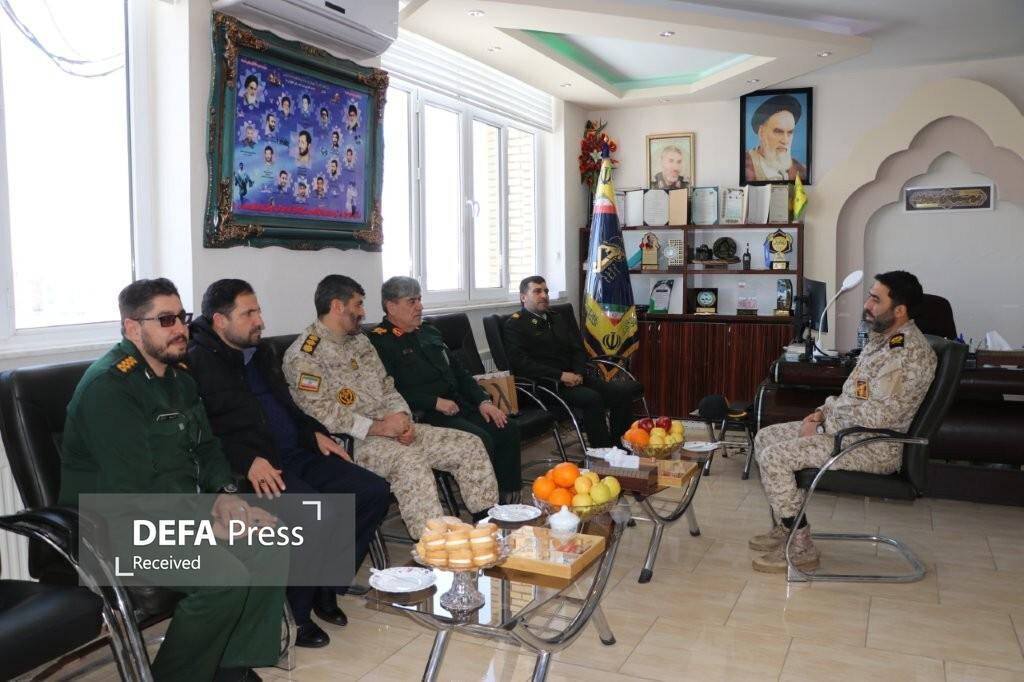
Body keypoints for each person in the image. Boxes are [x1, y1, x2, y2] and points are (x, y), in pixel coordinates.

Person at [59, 278, 285, 681]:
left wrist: (226, 496)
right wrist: (208, 524)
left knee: (270, 543)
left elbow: (207, 448)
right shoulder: (109, 388)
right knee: (224, 578)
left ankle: (230, 668)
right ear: (132, 328)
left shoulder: (179, 377)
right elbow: (135, 489)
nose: (181, 328)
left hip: (172, 514)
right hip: (117, 530)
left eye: (182, 317)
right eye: (166, 320)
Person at [187, 280, 390, 648]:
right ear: (219, 320)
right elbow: (199, 434)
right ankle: (297, 617)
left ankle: (326, 585)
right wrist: (245, 460)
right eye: (249, 313)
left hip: (295, 452)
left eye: (258, 310)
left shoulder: (260, 352)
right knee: (316, 513)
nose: (259, 320)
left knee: (372, 490)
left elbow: (289, 406)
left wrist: (314, 433)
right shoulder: (195, 364)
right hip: (252, 469)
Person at [748, 271, 937, 573]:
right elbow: (853, 395)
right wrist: (821, 413)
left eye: (875, 300)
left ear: (900, 310)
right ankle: (787, 527)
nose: (867, 305)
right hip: (848, 433)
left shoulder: (907, 354)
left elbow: (879, 416)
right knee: (765, 437)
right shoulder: (882, 340)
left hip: (872, 446)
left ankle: (802, 547)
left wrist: (823, 426)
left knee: (775, 457)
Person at [283, 275, 498, 539]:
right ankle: (434, 545)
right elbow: (322, 413)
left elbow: (387, 385)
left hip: (393, 427)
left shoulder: (359, 341)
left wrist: (402, 419)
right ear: (338, 306)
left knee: (469, 445)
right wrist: (380, 428)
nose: (363, 312)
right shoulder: (304, 355)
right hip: (354, 443)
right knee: (410, 462)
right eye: (358, 305)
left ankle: (486, 530)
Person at [368, 277, 523, 502]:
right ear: (391, 307)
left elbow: (460, 372)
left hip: (459, 404)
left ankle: (508, 499)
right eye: (412, 301)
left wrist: (483, 401)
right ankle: (486, 503)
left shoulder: (429, 332)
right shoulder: (379, 342)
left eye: (419, 299)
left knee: (506, 429)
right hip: (427, 414)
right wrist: (433, 402)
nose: (420, 306)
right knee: (480, 439)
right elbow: (389, 392)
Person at [503, 276, 642, 448]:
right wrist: (561, 376)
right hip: (546, 384)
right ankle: (602, 452)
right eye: (537, 291)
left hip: (574, 377)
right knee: (592, 399)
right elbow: (522, 364)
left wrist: (578, 373)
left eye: (546, 291)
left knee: (621, 394)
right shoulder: (515, 324)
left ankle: (621, 446)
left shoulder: (556, 318)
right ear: (523, 297)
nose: (544, 295)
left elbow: (577, 349)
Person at [744, 94, 807, 183]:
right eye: (778, 132)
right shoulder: (745, 165)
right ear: (761, 133)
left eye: (790, 132)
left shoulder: (801, 170)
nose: (785, 141)